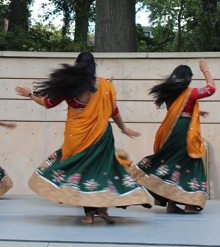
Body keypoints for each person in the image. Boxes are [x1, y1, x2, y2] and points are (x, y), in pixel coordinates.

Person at [15, 52, 151, 224]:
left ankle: (89, 215)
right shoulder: (105, 86)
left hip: (78, 137)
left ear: (76, 64)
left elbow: (48, 103)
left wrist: (30, 94)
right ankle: (102, 209)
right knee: (101, 171)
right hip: (103, 136)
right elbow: (113, 111)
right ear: (94, 66)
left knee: (83, 171)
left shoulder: (70, 86)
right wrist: (123, 128)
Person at [126, 59, 215, 214]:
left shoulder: (170, 94)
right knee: (191, 163)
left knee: (176, 164)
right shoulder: (189, 93)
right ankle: (187, 202)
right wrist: (205, 71)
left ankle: (176, 203)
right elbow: (211, 89)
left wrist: (196, 112)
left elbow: (178, 110)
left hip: (173, 131)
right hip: (184, 133)